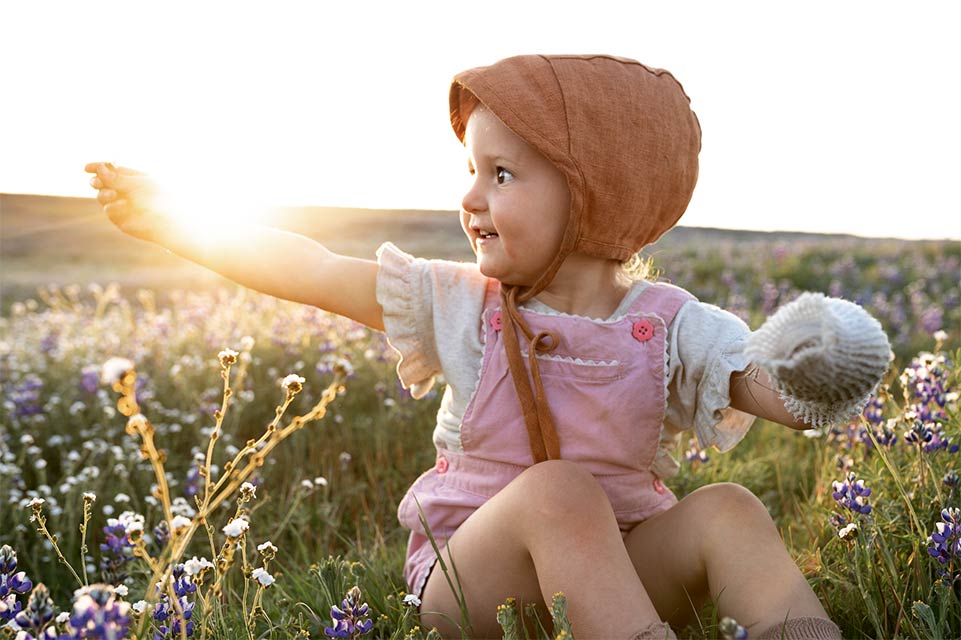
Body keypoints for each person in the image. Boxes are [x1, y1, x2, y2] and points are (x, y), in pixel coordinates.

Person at [86, 54, 891, 640]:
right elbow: (316, 269)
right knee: (557, 492)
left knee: (727, 508)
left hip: (621, 567)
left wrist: (819, 363)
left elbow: (761, 386)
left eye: (501, 174)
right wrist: (180, 222)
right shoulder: (457, 304)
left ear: (591, 193)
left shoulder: (671, 323)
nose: (469, 197)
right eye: (470, 169)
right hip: (474, 583)